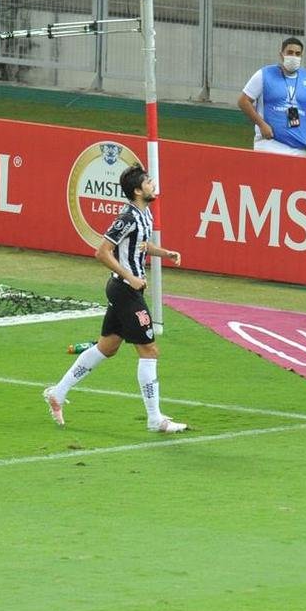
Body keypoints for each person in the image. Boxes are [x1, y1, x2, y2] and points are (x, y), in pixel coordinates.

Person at [43, 163, 188, 433]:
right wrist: (130, 277)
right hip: (125, 290)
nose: (153, 184)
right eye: (148, 182)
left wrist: (164, 253)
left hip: (126, 289)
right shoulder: (127, 218)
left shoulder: (145, 215)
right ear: (137, 191)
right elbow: (102, 252)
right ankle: (155, 419)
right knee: (149, 350)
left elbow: (140, 245)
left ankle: (58, 393)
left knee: (107, 347)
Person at [238, 36, 306, 156]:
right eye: (290, 52)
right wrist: (262, 125)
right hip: (269, 143)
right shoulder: (264, 74)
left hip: (299, 148)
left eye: (297, 54)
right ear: (281, 54)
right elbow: (243, 101)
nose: (294, 56)